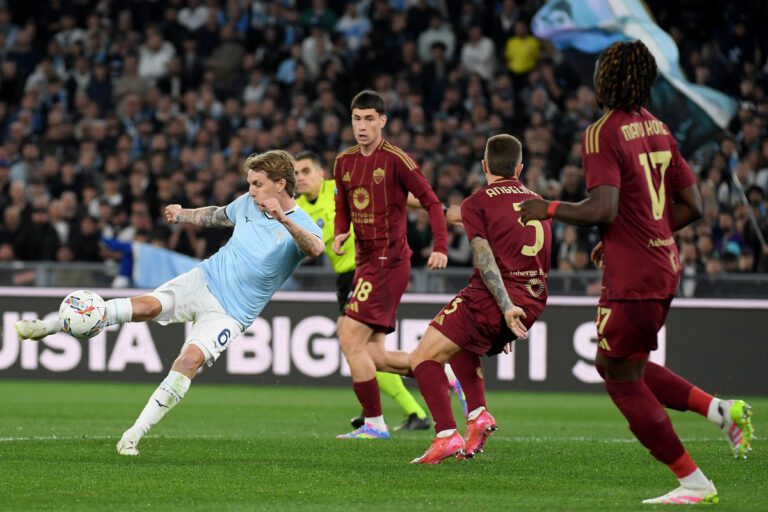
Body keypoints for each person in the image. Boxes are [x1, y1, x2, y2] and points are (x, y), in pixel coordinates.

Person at [519, 40, 754, 504]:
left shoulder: (601, 133)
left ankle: (693, 482)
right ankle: (721, 411)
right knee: (628, 365)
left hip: (637, 277)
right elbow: (694, 205)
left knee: (619, 376)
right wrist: (634, 237)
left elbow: (601, 206)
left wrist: (544, 207)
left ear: (606, 78)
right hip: (664, 264)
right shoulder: (659, 128)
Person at [16, 150, 324, 455]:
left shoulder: (302, 223)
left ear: (280, 184)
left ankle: (132, 435)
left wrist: (282, 219)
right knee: (146, 306)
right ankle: (50, 325)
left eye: (257, 184)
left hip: (231, 313)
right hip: (204, 279)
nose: (251, 190)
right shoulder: (247, 204)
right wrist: (183, 214)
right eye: (250, 183)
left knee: (189, 362)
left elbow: (314, 248)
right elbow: (217, 215)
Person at [409, 134, 551, 464]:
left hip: (497, 298)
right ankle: (478, 415)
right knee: (461, 345)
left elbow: (483, 255)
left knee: (423, 358)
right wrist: (514, 312)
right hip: (533, 299)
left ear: (484, 166)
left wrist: (504, 308)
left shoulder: (478, 202)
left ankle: (445, 434)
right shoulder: (540, 203)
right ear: (520, 167)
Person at [332, 90, 449, 439]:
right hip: (365, 261)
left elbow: (431, 202)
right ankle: (437, 370)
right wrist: (341, 233)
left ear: (383, 120)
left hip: (389, 261)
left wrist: (440, 246)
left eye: (369, 119)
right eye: (357, 119)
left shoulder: (397, 160)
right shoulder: (344, 162)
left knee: (349, 336)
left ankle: (374, 423)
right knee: (374, 356)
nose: (362, 126)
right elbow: (344, 207)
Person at [295, 150, 432, 431]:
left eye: (306, 171)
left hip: (366, 272)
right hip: (345, 279)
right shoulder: (298, 209)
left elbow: (391, 196)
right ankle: (408, 409)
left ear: (322, 173)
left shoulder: (340, 188)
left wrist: (432, 206)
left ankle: (381, 414)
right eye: (296, 173)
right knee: (370, 352)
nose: (300, 178)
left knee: (355, 344)